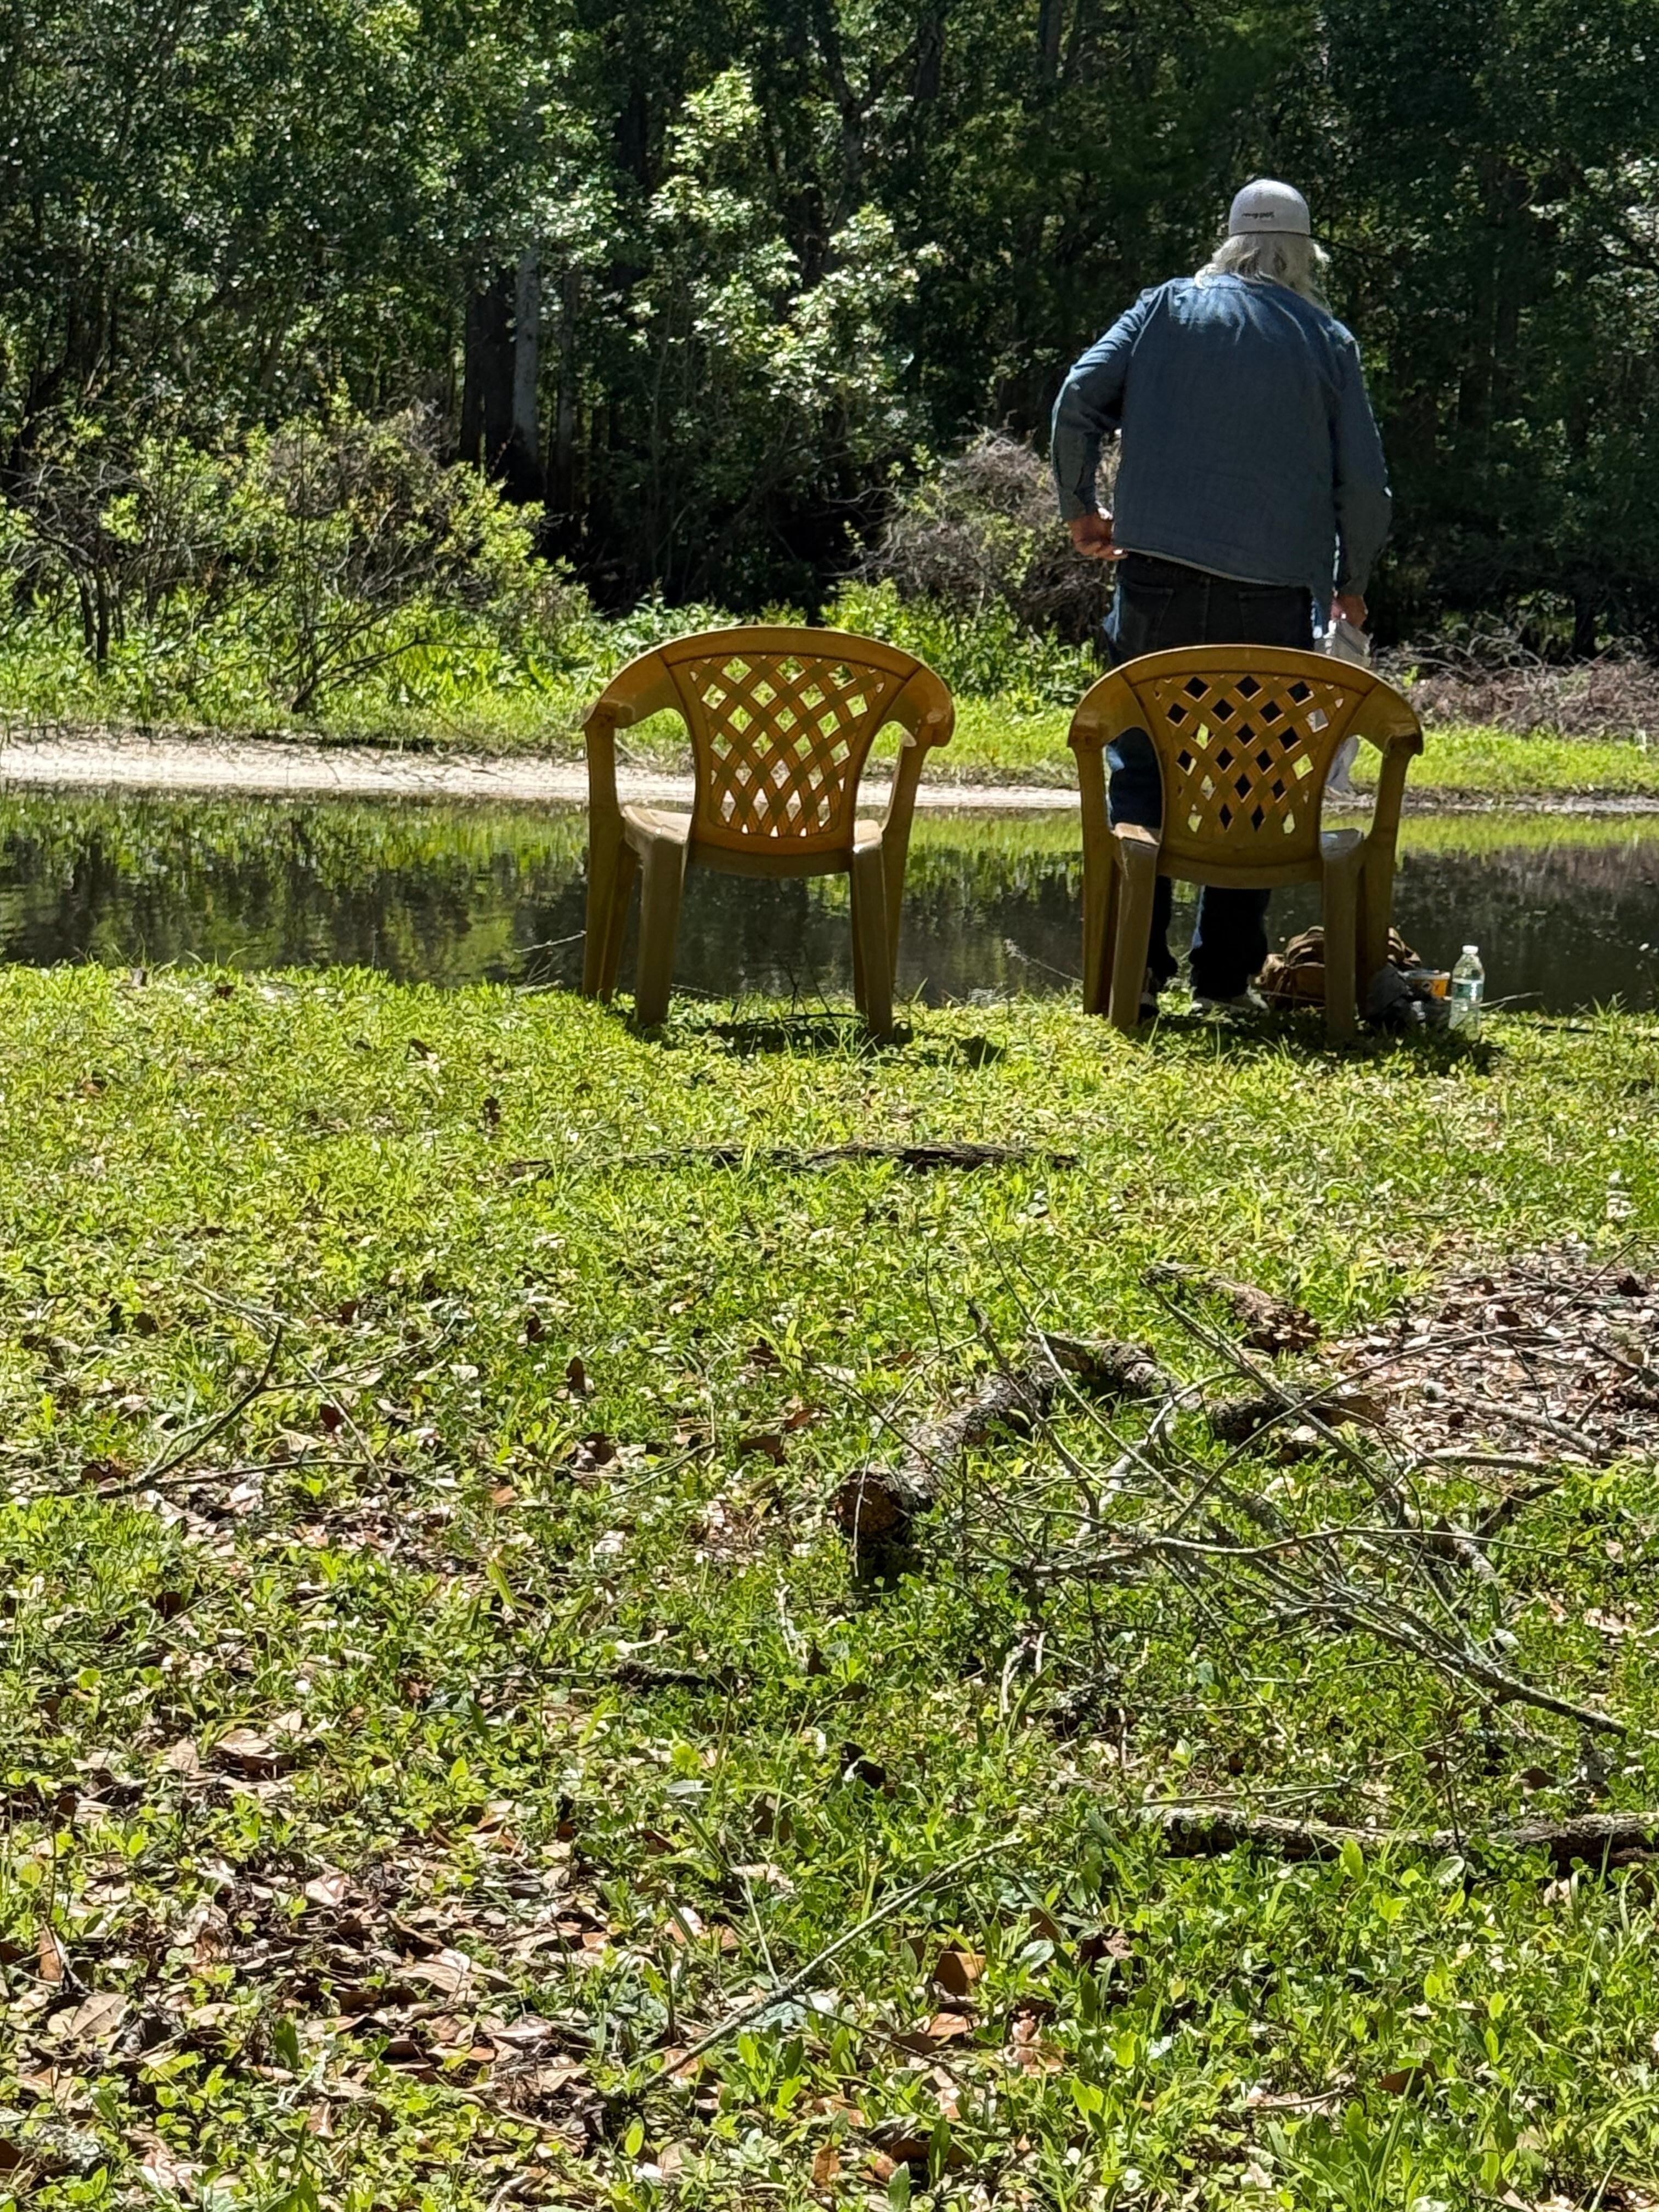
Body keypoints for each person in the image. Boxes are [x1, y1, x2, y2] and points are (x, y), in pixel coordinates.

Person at [1051, 180, 1392, 1012]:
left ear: (1230, 242)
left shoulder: (1165, 307)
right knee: (1253, 776)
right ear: (1304, 255)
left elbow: (1076, 400)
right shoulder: (1327, 338)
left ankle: (1133, 974)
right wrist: (1353, 586)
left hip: (1157, 578)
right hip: (1275, 595)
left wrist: (1080, 509)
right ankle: (1225, 980)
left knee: (1142, 764)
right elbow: (1368, 488)